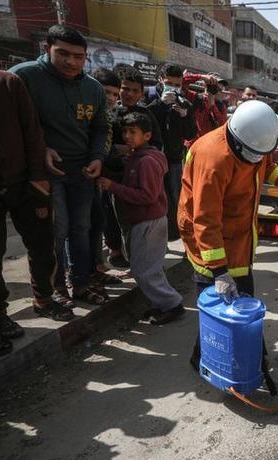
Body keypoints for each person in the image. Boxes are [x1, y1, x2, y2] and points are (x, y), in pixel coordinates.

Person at [179, 100, 278, 369]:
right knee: (219, 309)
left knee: (242, 301)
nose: (257, 159)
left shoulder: (252, 142)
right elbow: (205, 220)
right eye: (253, 154)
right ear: (236, 139)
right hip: (208, 242)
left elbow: (264, 161)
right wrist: (219, 272)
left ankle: (244, 356)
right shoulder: (213, 159)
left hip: (237, 237)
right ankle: (213, 360)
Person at [10, 24, 111, 307]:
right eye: (63, 54)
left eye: (78, 56)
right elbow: (7, 125)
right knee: (56, 231)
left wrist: (97, 158)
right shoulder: (23, 77)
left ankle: (80, 284)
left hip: (82, 173)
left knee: (81, 228)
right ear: (46, 49)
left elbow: (101, 128)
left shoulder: (93, 88)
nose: (71, 62)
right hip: (44, 175)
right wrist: (41, 149)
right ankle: (53, 289)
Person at [0, 59, 74, 357]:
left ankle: (43, 299)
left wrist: (37, 178)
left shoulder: (7, 82)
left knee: (44, 245)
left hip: (25, 182)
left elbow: (32, 132)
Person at [96, 113, 184, 325]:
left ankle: (172, 305)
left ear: (147, 135)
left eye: (133, 132)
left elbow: (147, 196)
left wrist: (113, 186)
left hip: (148, 222)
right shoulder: (137, 157)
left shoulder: (146, 162)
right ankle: (164, 303)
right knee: (148, 269)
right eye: (125, 131)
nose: (127, 136)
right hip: (145, 221)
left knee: (144, 271)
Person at [146, 63, 196, 241]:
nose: (173, 88)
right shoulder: (149, 96)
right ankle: (157, 238)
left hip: (174, 160)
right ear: (160, 80)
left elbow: (190, 133)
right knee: (154, 199)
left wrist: (184, 115)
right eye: (169, 83)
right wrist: (160, 104)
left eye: (177, 84)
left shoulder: (184, 102)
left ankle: (174, 235)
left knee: (176, 200)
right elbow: (142, 121)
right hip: (151, 159)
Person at [88, 68, 125, 287]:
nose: (111, 98)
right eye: (106, 93)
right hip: (85, 176)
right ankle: (77, 276)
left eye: (114, 94)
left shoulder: (111, 114)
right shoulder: (87, 112)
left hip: (103, 177)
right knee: (79, 228)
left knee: (97, 223)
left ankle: (97, 269)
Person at [182, 72, 228, 141]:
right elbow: (181, 82)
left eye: (221, 90)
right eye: (216, 89)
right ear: (205, 86)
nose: (219, 92)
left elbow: (222, 125)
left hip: (209, 144)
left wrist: (213, 105)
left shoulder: (221, 106)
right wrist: (201, 77)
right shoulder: (196, 97)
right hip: (193, 144)